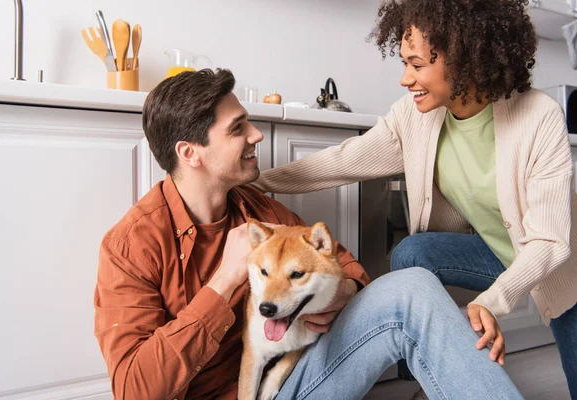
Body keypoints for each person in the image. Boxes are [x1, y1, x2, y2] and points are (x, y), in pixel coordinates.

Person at [94, 69, 523, 400]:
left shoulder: (258, 209)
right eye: (237, 128)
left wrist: (337, 295)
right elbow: (134, 388)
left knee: (412, 286)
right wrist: (223, 280)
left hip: (291, 379)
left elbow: (343, 265)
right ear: (190, 154)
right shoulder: (132, 244)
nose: (255, 135)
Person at [253, 0, 577, 398]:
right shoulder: (415, 115)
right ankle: (430, 370)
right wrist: (260, 182)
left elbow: (551, 241)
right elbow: (344, 160)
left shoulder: (540, 116)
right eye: (404, 63)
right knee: (415, 253)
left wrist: (491, 302)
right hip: (495, 254)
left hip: (565, 270)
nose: (405, 79)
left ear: (467, 60)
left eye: (417, 65)